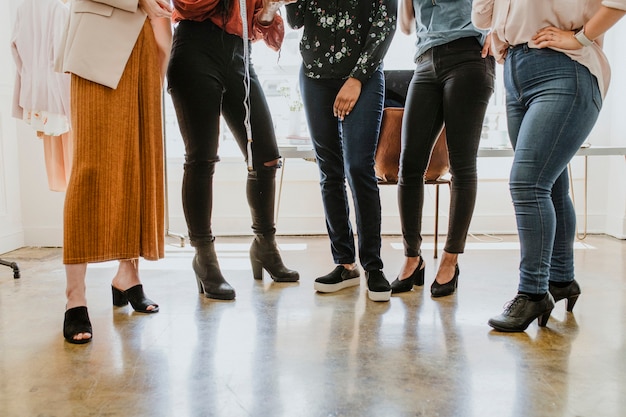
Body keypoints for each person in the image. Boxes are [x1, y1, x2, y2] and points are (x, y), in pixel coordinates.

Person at [472, 0, 626, 332]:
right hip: (514, 71)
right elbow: (481, 16)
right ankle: (562, 279)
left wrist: (581, 38)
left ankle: (533, 292)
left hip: (564, 68)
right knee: (552, 186)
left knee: (527, 183)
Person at [55, 0, 173, 344]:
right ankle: (74, 297)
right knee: (90, 170)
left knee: (139, 164)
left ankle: (128, 276)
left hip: (149, 42)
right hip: (101, 41)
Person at [166, 0, 300, 302]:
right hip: (195, 49)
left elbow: (255, 26)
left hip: (240, 56)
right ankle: (204, 257)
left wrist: (271, 6)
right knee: (202, 159)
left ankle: (265, 246)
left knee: (266, 156)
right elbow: (187, 6)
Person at [285, 0, 397, 302]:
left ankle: (373, 266)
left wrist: (357, 78)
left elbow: (385, 24)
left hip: (364, 74)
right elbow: (296, 21)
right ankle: (345, 263)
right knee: (329, 170)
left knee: (359, 167)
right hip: (314, 75)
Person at [391, 0, 495, 297]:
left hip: (468, 55)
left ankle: (450, 260)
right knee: (409, 165)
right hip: (425, 60)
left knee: (461, 166)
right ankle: (413, 258)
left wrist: (499, 29)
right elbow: (407, 26)